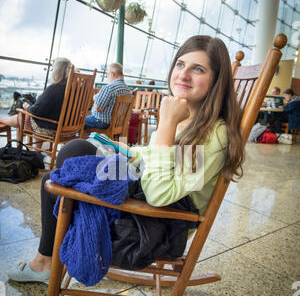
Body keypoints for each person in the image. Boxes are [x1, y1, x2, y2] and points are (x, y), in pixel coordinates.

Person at [8, 35, 244, 282]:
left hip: (155, 225)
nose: (183, 75)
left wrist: (167, 125)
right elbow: (158, 159)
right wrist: (130, 152)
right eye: (180, 64)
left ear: (216, 80)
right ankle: (47, 257)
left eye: (198, 69)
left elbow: (159, 194)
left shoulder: (213, 134)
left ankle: (46, 260)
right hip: (144, 191)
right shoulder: (189, 120)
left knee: (59, 180)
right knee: (75, 152)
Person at [0, 58, 72, 147]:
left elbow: (36, 111)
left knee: (21, 116)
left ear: (57, 71)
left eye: (52, 69)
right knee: (37, 119)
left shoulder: (54, 88)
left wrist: (27, 107)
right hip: (70, 130)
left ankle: (1, 119)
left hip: (54, 129)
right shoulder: (74, 89)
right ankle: (37, 152)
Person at [84, 62, 131, 130]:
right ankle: (91, 138)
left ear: (112, 74)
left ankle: (86, 140)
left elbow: (98, 108)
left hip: (102, 123)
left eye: (107, 75)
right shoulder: (127, 90)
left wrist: (95, 98)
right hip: (118, 124)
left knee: (79, 121)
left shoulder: (109, 88)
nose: (107, 77)